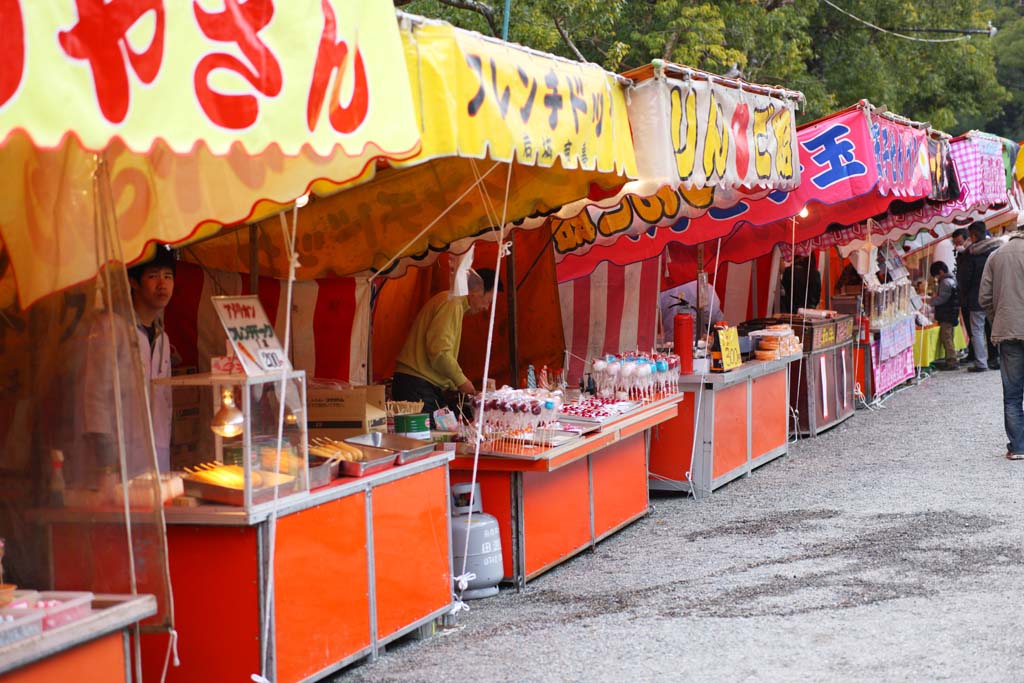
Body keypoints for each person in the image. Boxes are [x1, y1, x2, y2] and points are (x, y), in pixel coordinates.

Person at [80, 246, 175, 488]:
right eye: (153, 276)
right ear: (134, 282)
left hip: (158, 456)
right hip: (118, 461)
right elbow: (95, 397)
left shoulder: (163, 339)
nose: (162, 284)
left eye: (168, 276)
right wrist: (107, 461)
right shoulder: (111, 327)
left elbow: (166, 401)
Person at [392, 269, 501, 419]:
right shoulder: (452, 304)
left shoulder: (453, 303)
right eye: (488, 301)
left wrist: (455, 384)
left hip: (418, 384)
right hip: (417, 385)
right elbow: (440, 352)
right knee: (427, 437)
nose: (486, 307)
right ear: (476, 291)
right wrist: (462, 382)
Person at [979, 229, 1024, 459]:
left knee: (1013, 393)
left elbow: (984, 297)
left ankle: (1018, 447)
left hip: (1008, 331)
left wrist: (997, 319)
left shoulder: (996, 256)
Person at [956, 221, 1001, 372]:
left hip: (975, 298)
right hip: (994, 297)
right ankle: (996, 359)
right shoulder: (996, 251)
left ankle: (981, 363)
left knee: (976, 330)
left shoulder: (971, 254)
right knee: (994, 329)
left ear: (973, 235)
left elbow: (964, 279)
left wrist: (965, 294)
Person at [659, 280, 724, 345]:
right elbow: (714, 318)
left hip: (670, 346)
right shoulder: (702, 286)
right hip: (697, 346)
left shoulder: (662, 288)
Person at [929, 261, 959, 371]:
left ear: (941, 272)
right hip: (951, 313)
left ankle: (952, 361)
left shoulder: (945, 282)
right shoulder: (952, 279)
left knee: (947, 338)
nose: (936, 278)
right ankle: (951, 358)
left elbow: (942, 299)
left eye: (936, 275)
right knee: (949, 337)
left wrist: (930, 302)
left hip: (947, 314)